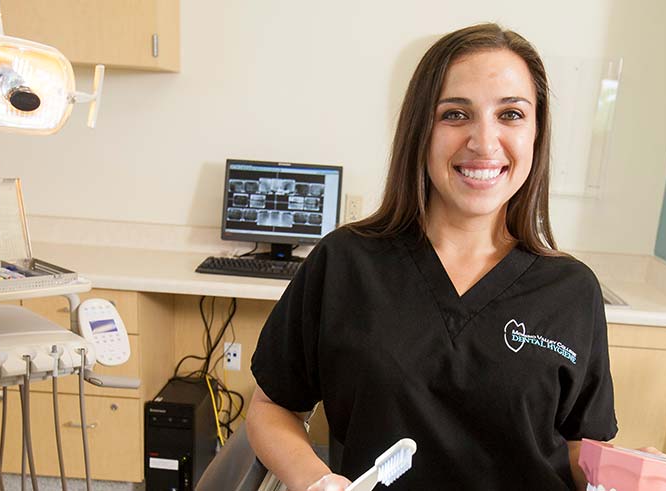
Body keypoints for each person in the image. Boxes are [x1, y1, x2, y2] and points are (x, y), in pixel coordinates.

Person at [247, 23, 622, 490]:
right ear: (419, 129)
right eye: (455, 114)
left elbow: (580, 444)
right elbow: (272, 406)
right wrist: (317, 481)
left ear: (536, 134)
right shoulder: (346, 263)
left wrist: (623, 476)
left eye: (510, 115)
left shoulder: (571, 290)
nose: (484, 143)